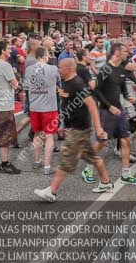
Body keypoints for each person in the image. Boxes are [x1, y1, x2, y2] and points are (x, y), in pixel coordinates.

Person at [34, 58, 114, 202]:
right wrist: (63, 124)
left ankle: (51, 191)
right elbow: (66, 104)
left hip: (79, 130)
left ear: (69, 68)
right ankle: (106, 182)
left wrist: (98, 127)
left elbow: (91, 104)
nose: (58, 70)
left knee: (66, 159)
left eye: (60, 67)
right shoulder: (66, 83)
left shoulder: (77, 84)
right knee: (92, 157)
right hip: (74, 128)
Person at [86, 42, 136, 186]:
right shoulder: (106, 69)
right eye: (125, 51)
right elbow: (96, 91)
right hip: (106, 111)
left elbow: (122, 86)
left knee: (126, 140)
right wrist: (109, 106)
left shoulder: (121, 68)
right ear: (117, 52)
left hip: (120, 111)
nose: (128, 53)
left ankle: (125, 174)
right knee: (103, 142)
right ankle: (87, 167)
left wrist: (129, 96)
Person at [0, 40, 21, 174]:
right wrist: (16, 73)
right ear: (2, 50)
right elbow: (15, 84)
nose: (10, 51)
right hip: (5, 104)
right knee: (5, 134)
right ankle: (5, 163)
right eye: (8, 48)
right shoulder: (5, 65)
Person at [27, 47, 60, 175]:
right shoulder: (52, 68)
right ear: (45, 55)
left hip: (34, 106)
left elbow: (27, 85)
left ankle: (37, 161)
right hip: (49, 107)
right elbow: (58, 80)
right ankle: (47, 166)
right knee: (49, 135)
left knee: (37, 134)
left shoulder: (29, 69)